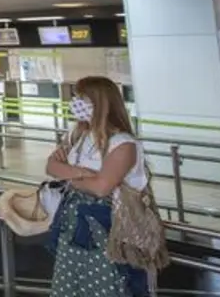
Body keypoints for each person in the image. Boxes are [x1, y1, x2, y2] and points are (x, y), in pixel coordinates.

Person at [45, 76, 150, 296]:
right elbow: (51, 166)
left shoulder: (124, 144)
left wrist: (68, 174)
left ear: (101, 103)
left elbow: (101, 188)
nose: (75, 103)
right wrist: (83, 174)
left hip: (111, 229)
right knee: (70, 285)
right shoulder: (79, 135)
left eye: (82, 98)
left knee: (110, 285)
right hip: (74, 227)